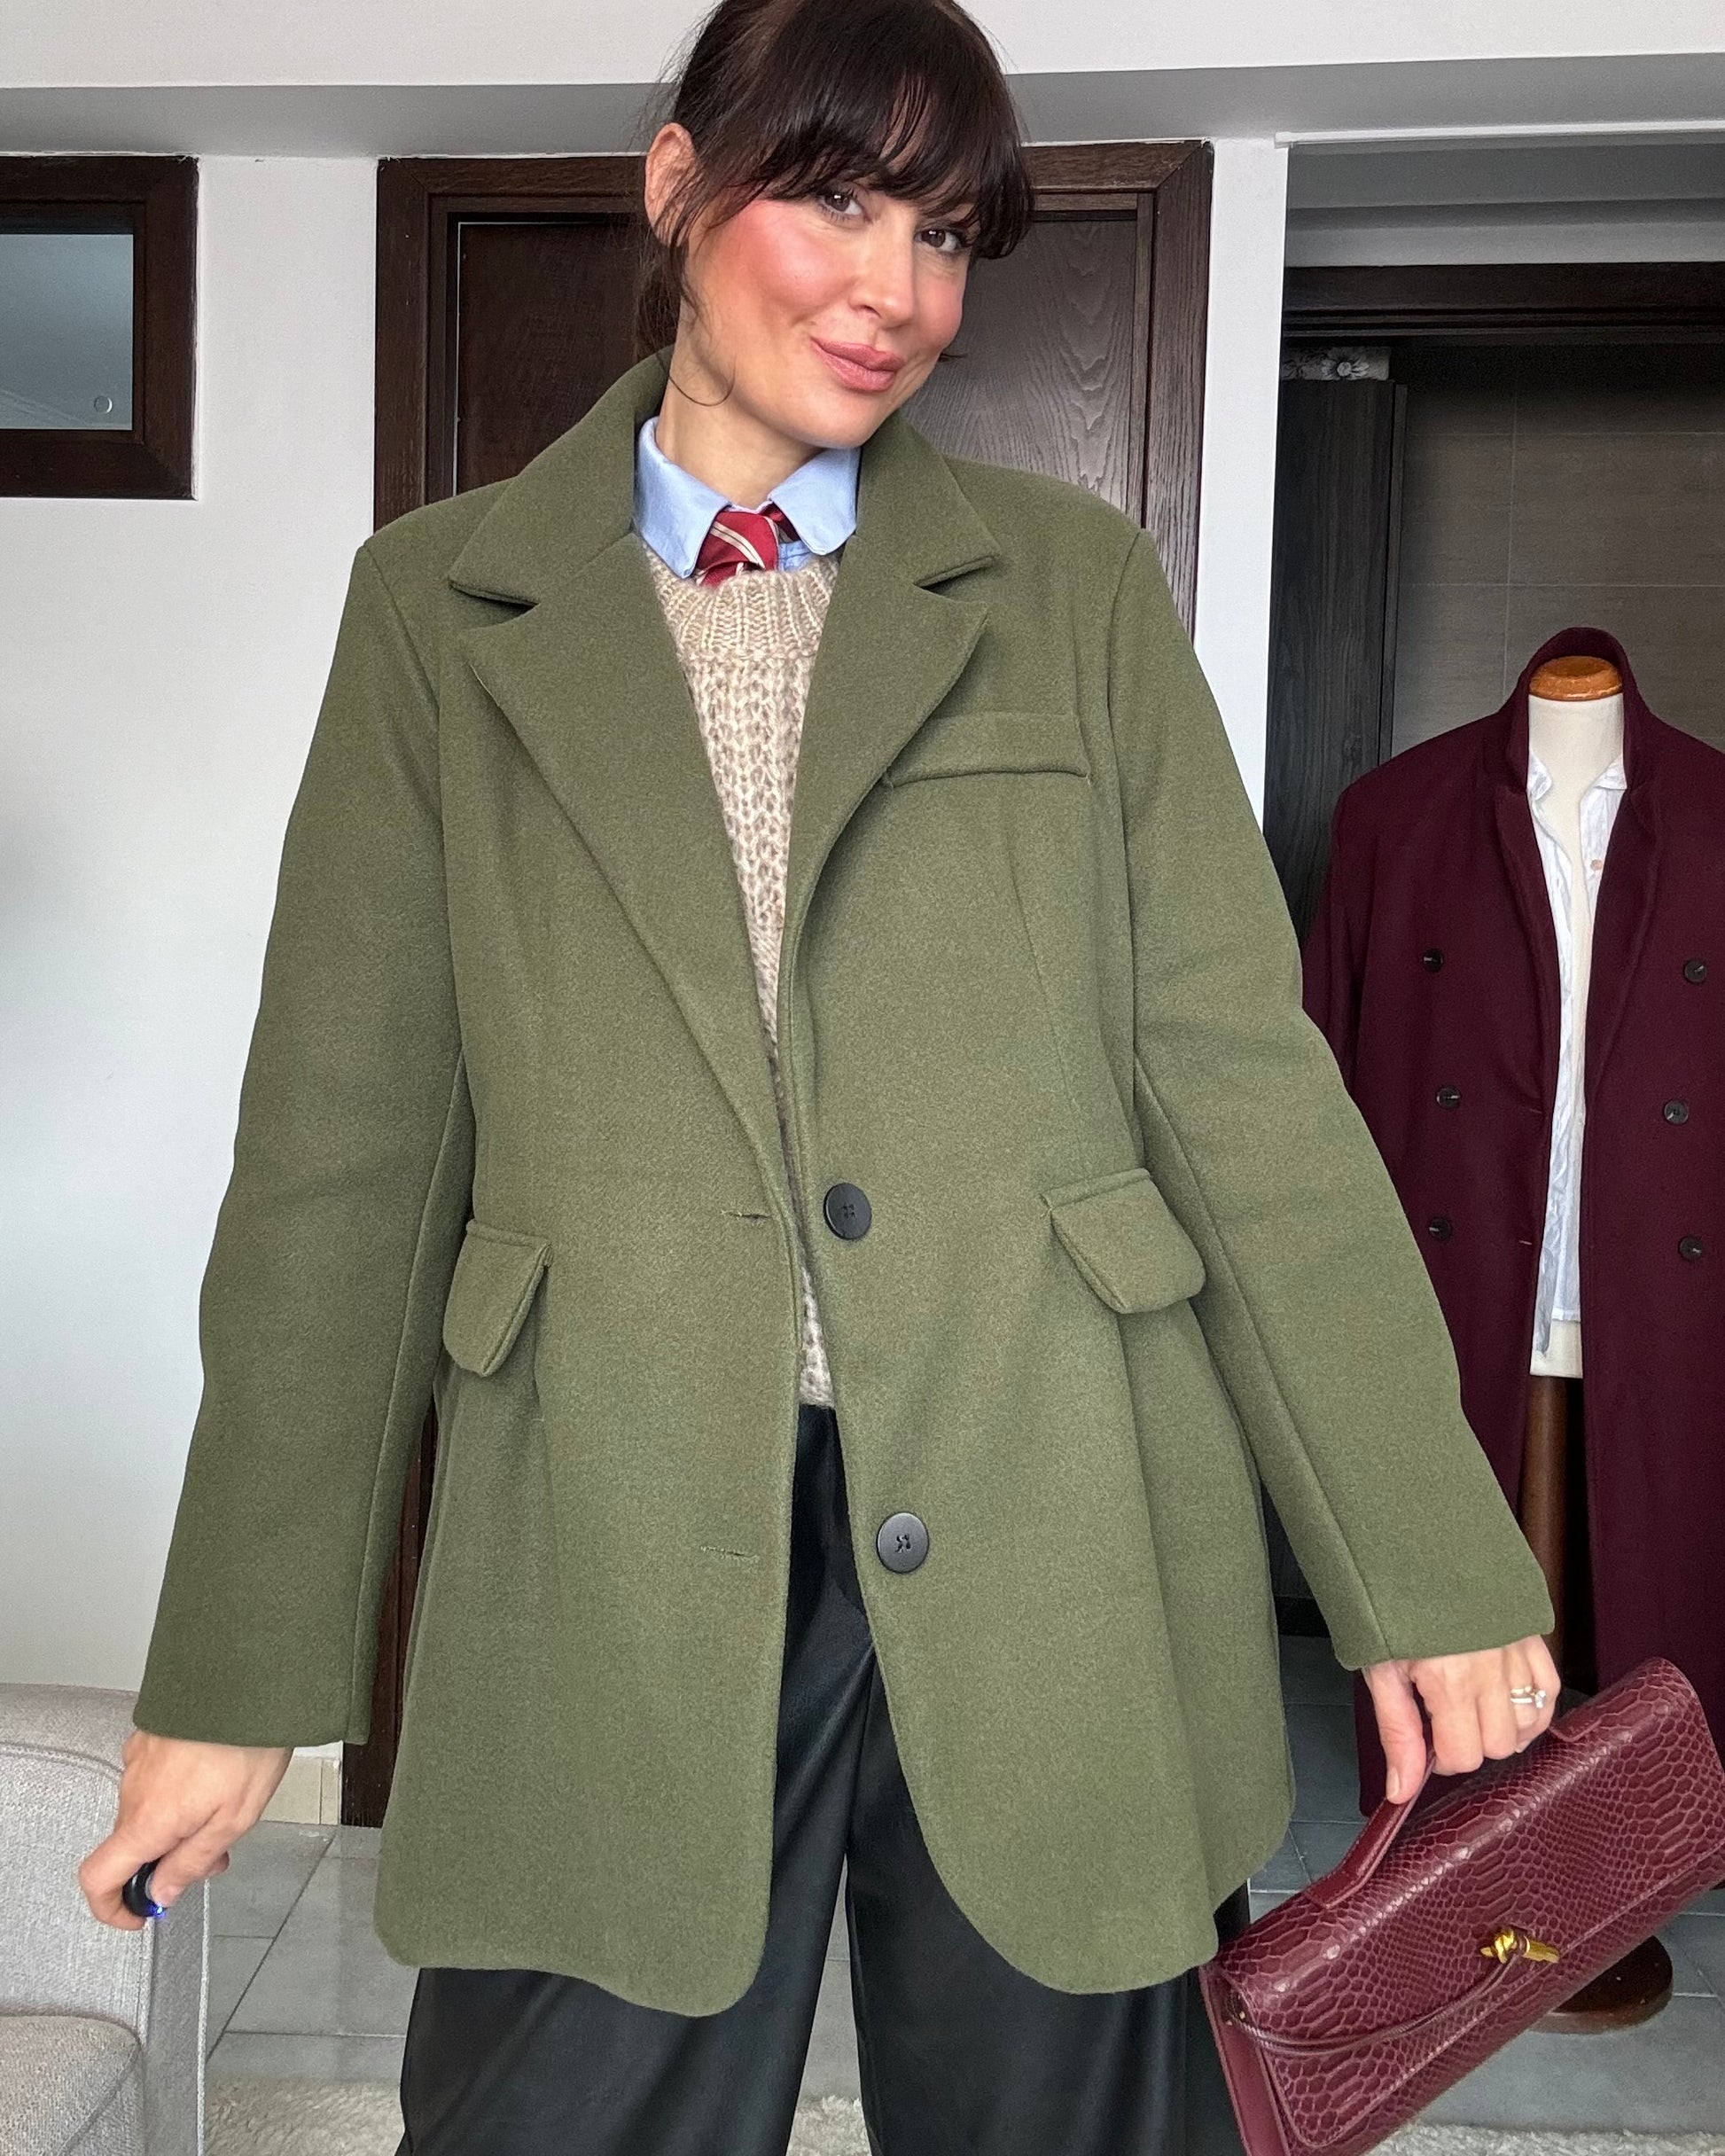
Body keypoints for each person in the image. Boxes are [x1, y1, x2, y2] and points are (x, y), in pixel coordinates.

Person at [80, 0, 1561, 2149]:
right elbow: (344, 1165)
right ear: (677, 188)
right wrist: (236, 1669)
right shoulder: (438, 613)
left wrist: (1428, 1563)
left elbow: (1242, 1099)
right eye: (841, 202)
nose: (898, 292)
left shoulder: (1069, 593)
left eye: (946, 235)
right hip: (608, 1530)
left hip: (1056, 1499)